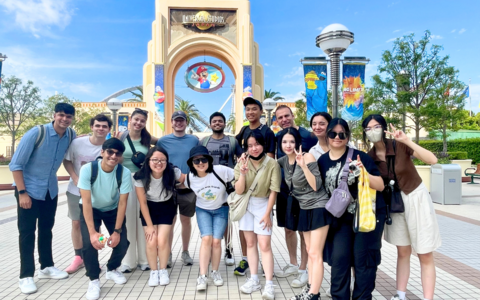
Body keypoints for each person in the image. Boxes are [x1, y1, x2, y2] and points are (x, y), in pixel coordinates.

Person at [362, 114, 441, 300]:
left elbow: (432, 160)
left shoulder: (399, 144)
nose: (373, 131)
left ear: (383, 128)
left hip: (415, 196)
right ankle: (400, 294)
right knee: (403, 251)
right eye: (368, 129)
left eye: (376, 127)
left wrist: (407, 140)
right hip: (394, 204)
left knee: (424, 251)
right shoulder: (370, 157)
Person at [10, 103, 76, 294]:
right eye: (61, 115)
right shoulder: (37, 133)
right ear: (54, 115)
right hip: (28, 190)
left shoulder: (69, 135)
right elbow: (16, 165)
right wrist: (22, 193)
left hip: (50, 190)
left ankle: (46, 267)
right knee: (27, 232)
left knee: (46, 230)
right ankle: (26, 276)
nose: (64, 119)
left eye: (68, 116)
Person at [318, 118, 386, 300]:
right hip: (340, 220)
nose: (337, 137)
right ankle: (339, 297)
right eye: (333, 134)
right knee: (339, 260)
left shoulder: (360, 156)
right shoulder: (322, 161)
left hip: (365, 217)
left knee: (363, 261)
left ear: (347, 136)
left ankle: (362, 298)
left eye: (342, 134)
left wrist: (364, 173)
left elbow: (380, 185)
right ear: (327, 135)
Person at [276, 127, 331, 300]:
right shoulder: (283, 161)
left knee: (315, 253)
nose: (288, 145)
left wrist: (303, 166)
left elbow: (316, 185)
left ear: (298, 143)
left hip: (318, 207)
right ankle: (310, 289)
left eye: (292, 141)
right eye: (284, 142)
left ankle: (314, 293)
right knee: (309, 250)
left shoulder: (307, 156)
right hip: (303, 208)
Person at [78, 138, 132, 300]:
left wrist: (116, 232)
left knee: (122, 242)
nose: (113, 156)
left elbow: (123, 203)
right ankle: (94, 279)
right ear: (102, 152)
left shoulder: (124, 172)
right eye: (110, 152)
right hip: (91, 209)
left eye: (118, 153)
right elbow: (86, 201)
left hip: (112, 209)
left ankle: (111, 269)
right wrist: (94, 233)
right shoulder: (88, 169)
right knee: (89, 244)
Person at [234, 131, 281, 300]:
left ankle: (269, 284)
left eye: (257, 144)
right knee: (250, 243)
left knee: (265, 244)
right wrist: (243, 173)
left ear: (263, 145)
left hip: (263, 204)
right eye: (250, 145)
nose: (254, 148)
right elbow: (239, 190)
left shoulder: (272, 164)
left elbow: (274, 191)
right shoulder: (241, 162)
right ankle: (254, 279)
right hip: (246, 204)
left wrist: (268, 214)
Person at [63, 114, 113, 274]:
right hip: (75, 191)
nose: (100, 128)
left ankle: (92, 258)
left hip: (98, 195)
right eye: (97, 125)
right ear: (92, 127)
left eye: (104, 126)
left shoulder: (109, 146)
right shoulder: (77, 143)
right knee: (76, 223)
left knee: (94, 226)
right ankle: (79, 257)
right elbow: (67, 160)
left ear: (109, 129)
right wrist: (75, 177)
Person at [274, 105, 316, 287]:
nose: (284, 119)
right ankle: (292, 263)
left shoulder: (308, 136)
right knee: (288, 229)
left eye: (286, 116)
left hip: (303, 192)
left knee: (303, 231)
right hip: (285, 191)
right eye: (280, 117)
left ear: (292, 115)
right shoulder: (277, 137)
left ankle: (303, 269)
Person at [234, 97, 276, 276]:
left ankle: (267, 274)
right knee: (248, 237)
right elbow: (237, 149)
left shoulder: (266, 131)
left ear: (260, 111)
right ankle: (247, 262)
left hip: (261, 191)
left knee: (263, 242)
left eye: (253, 109)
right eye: (247, 109)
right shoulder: (243, 130)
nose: (250, 112)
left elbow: (269, 157)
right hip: (245, 192)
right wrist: (241, 166)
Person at [184, 146, 234, 291]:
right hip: (203, 210)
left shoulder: (221, 170)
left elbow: (239, 174)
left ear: (209, 160)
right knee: (206, 239)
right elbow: (177, 180)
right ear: (191, 163)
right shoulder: (190, 178)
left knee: (217, 241)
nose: (200, 163)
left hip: (221, 209)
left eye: (203, 159)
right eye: (196, 160)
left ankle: (215, 271)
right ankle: (202, 275)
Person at [134, 146, 184, 287]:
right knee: (151, 241)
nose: (159, 163)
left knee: (162, 240)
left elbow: (186, 180)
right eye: (155, 159)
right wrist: (149, 226)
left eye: (162, 160)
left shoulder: (172, 171)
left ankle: (163, 270)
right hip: (148, 208)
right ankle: (153, 271)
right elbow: (142, 203)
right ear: (148, 160)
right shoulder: (140, 176)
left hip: (167, 207)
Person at [200, 112, 243, 267]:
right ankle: (211, 248)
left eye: (220, 121)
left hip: (228, 186)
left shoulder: (232, 141)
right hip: (208, 185)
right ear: (210, 124)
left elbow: (242, 157)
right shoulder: (204, 141)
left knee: (227, 219)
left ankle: (228, 248)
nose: (217, 123)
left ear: (224, 124)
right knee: (208, 215)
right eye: (214, 121)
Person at [156, 110, 199, 267]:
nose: (179, 123)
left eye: (182, 120)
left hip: (188, 188)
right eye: (176, 120)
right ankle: (167, 253)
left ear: (186, 123)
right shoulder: (163, 141)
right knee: (170, 222)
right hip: (168, 188)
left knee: (186, 220)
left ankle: (185, 252)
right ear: (172, 122)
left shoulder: (194, 140)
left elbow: (199, 159)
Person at [118, 108, 155, 272]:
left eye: (142, 121)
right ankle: (128, 261)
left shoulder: (148, 138)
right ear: (130, 120)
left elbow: (164, 143)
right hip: (124, 180)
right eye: (136, 119)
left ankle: (144, 259)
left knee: (143, 220)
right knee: (127, 220)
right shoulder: (120, 137)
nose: (138, 123)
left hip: (144, 180)